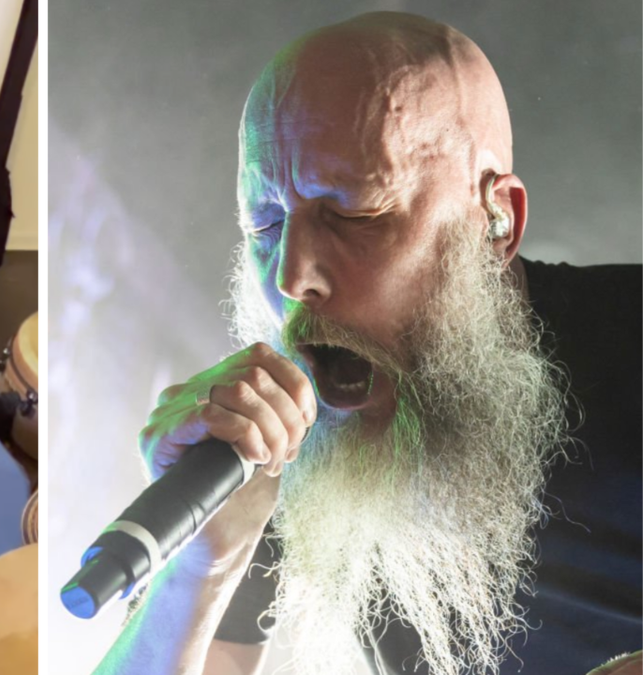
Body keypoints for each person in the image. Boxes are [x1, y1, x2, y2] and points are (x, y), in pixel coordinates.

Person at [92, 12, 641, 675]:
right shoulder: (283, 440)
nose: (292, 277)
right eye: (264, 222)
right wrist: (198, 569)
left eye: (356, 214)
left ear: (496, 223)